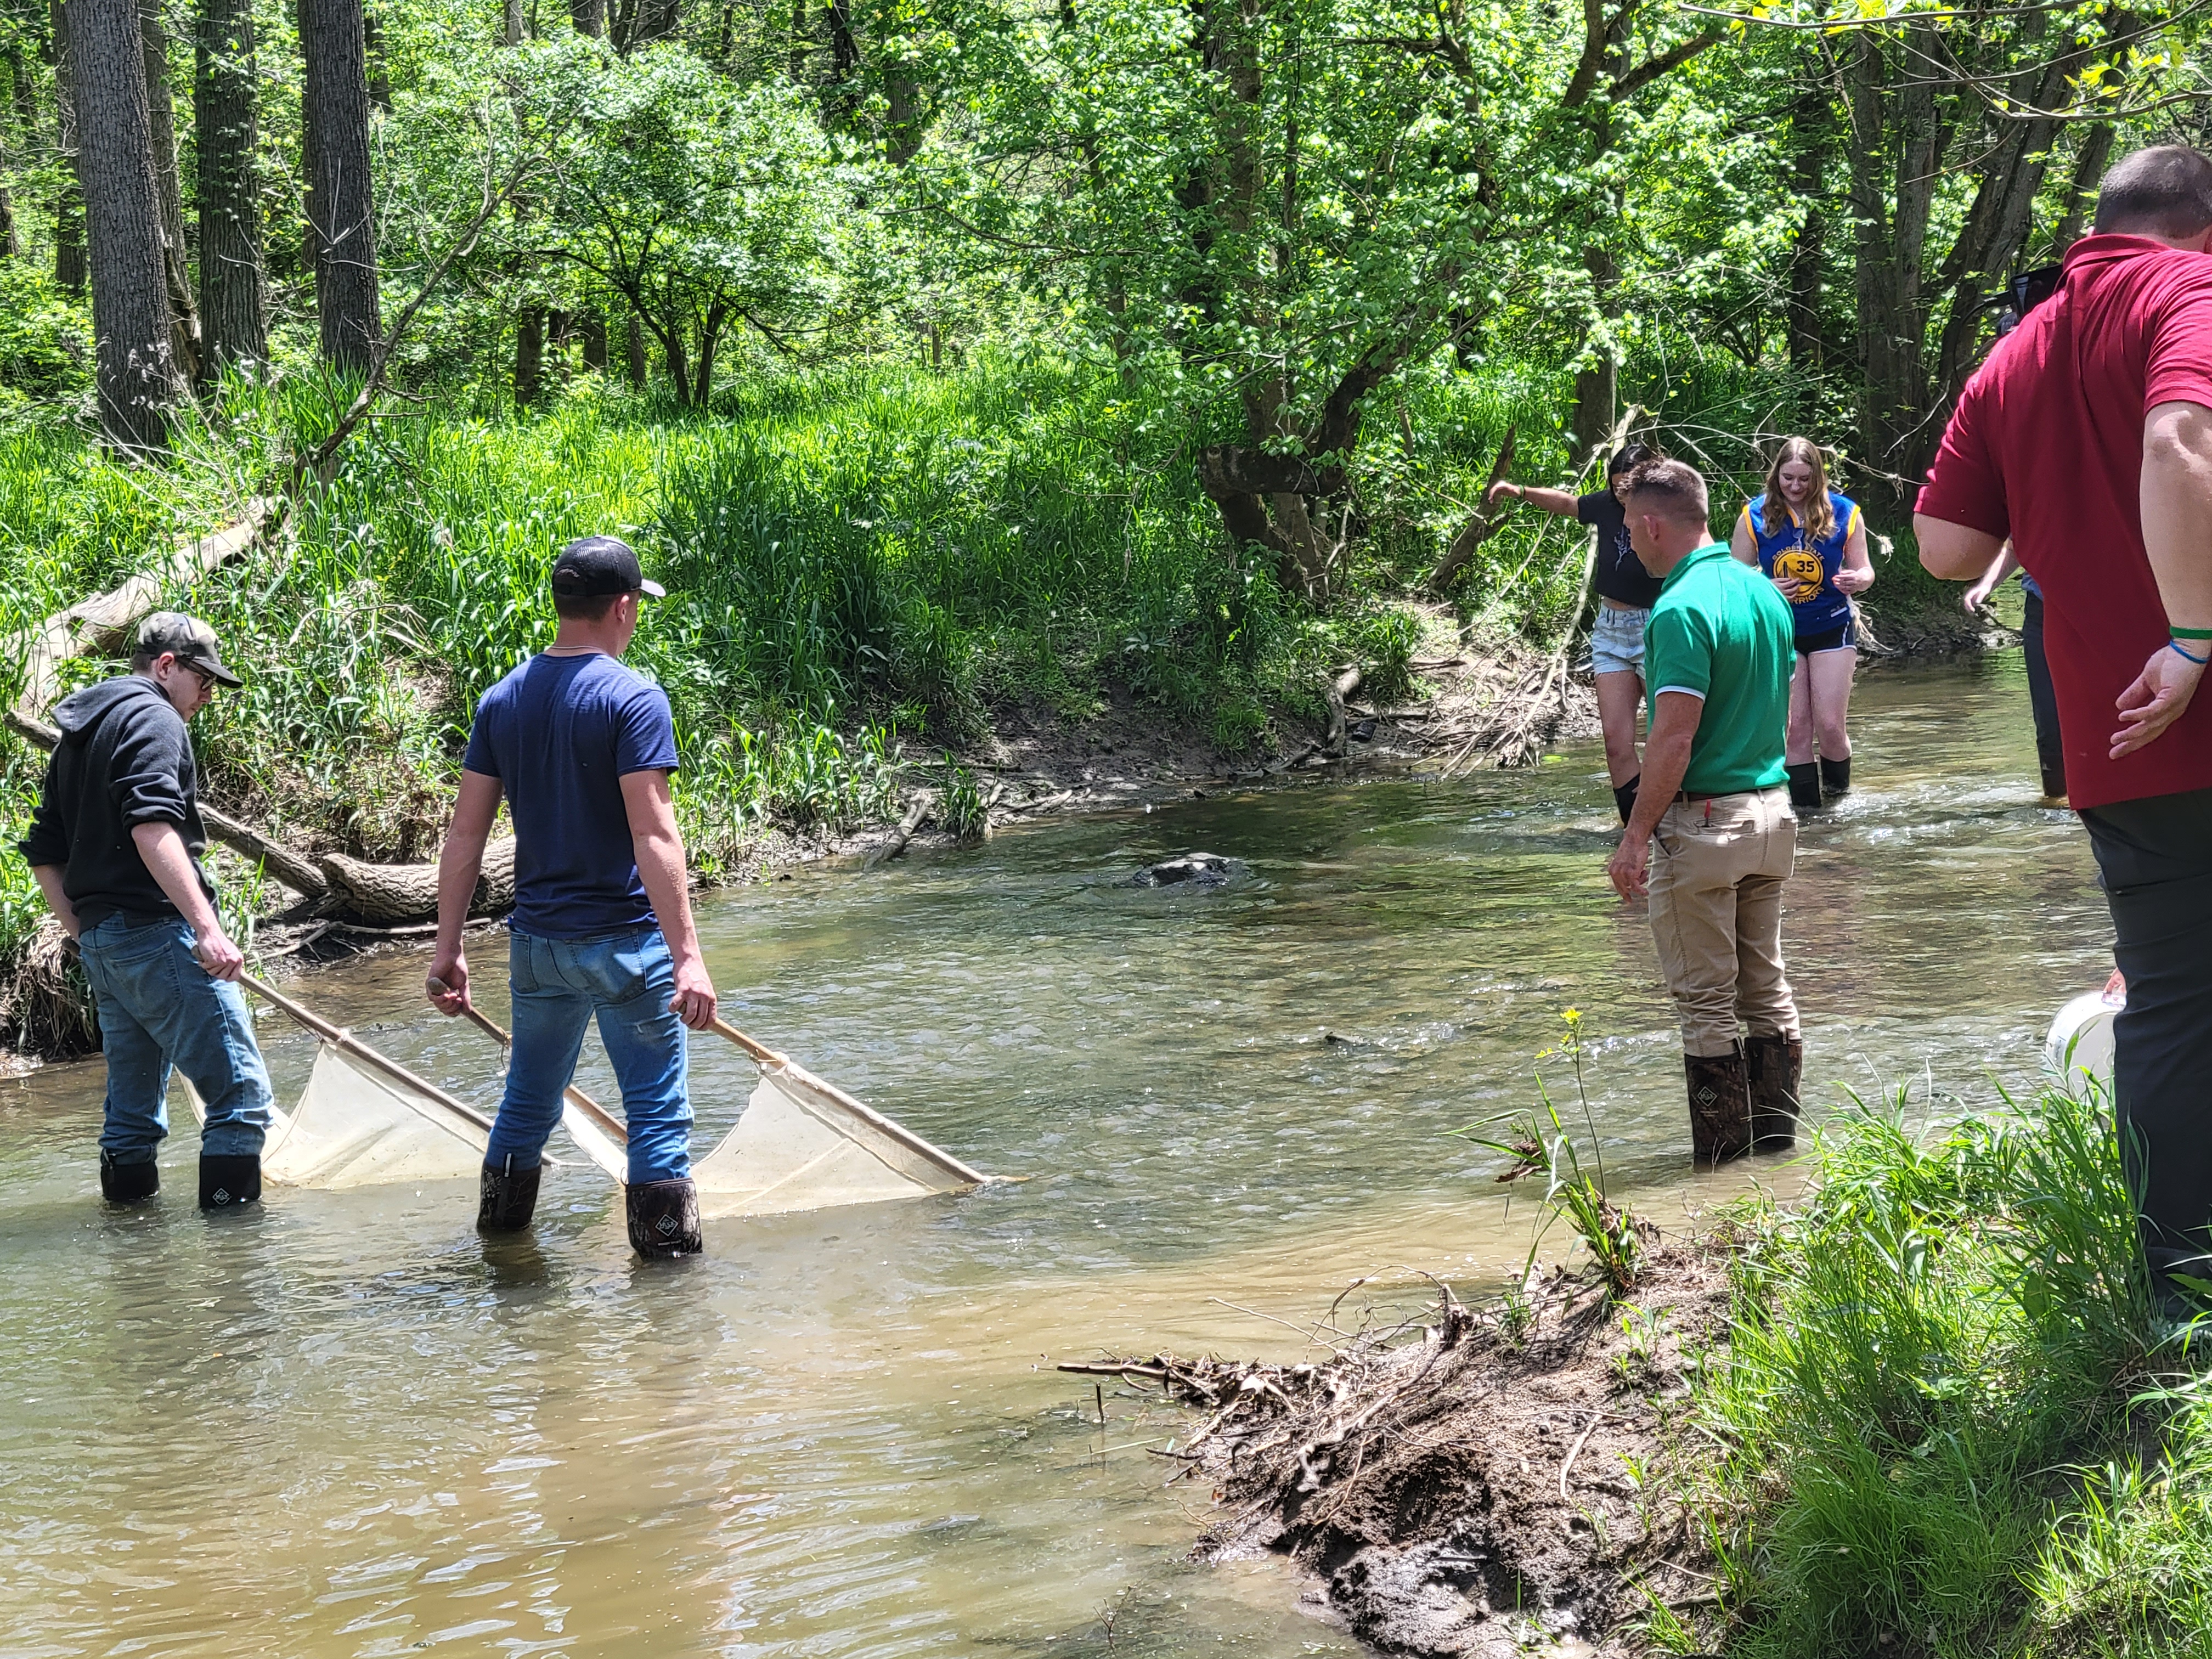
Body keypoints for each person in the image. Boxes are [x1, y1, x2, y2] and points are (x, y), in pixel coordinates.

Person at [1914, 143, 2212, 1311]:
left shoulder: (2016, 350)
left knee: (2174, 1003)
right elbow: (2179, 442)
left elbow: (1945, 550)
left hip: (2114, 737)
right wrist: (2191, 638)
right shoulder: (2187, 290)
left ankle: (2183, 1299)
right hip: (2184, 686)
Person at [427, 536, 719, 1258]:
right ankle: (671, 1299)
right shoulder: (633, 697)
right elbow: (654, 835)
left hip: (539, 951)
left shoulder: (503, 701)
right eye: (636, 608)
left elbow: (464, 837)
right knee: (655, 1116)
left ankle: (501, 1254)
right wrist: (688, 958)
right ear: (623, 607)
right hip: (625, 946)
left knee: (526, 1103)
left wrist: (449, 948)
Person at [15, 613, 273, 1209]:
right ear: (165, 667)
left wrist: (86, 936)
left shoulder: (80, 731)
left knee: (132, 1118)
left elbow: (45, 854)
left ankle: (134, 1261)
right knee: (241, 1098)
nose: (206, 698)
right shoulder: (155, 719)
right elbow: (151, 826)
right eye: (202, 682)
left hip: (107, 946)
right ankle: (238, 1273)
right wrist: (207, 931)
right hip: (158, 935)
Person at [1605, 458, 1803, 1163]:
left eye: (1630, 529)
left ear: (1655, 525)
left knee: (1705, 1006)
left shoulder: (1681, 609)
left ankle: (1720, 1176)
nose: (1629, 542)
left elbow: (1675, 735)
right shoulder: (1764, 593)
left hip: (1708, 824)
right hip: (1773, 813)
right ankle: (1779, 1159)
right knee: (1767, 989)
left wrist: (1634, 837)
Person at [1488, 442, 1663, 822]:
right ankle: (1634, 831)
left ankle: (1678, 822)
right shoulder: (1606, 505)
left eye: (1629, 488)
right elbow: (1569, 504)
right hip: (1611, 631)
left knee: (1665, 738)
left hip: (1657, 626)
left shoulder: (1670, 513)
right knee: (1617, 744)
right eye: (1617, 487)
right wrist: (1518, 490)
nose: (1623, 496)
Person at [1729, 437, 1874, 810]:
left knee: (1829, 725)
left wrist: (1859, 580)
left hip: (1832, 625)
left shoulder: (1845, 512)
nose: (1795, 487)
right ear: (1776, 474)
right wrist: (1765, 584)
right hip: (1781, 631)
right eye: (1788, 478)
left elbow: (1866, 569)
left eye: (1804, 479)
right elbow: (1734, 578)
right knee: (1795, 728)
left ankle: (1839, 801)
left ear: (1818, 478)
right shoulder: (1754, 516)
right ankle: (1809, 817)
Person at [1961, 545, 2068, 802]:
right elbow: (2016, 542)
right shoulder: (2032, 503)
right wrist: (1987, 584)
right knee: (2050, 726)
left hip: (2108, 608)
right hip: (2043, 611)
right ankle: (2055, 808)